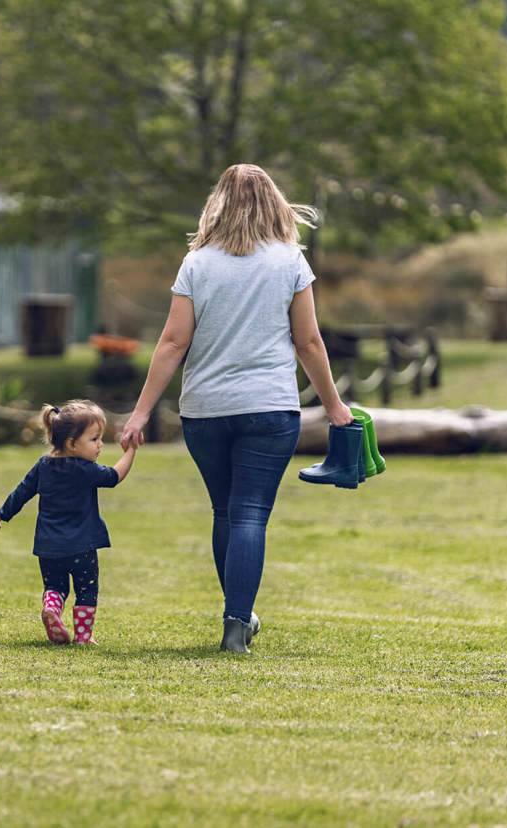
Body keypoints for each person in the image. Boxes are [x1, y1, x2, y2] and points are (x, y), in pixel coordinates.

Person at [119, 163, 354, 654]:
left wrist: (141, 413)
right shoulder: (290, 261)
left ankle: (239, 615)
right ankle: (235, 625)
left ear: (217, 204)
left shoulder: (196, 263)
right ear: (274, 203)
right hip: (269, 408)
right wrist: (334, 407)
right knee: (250, 514)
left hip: (204, 410)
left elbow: (171, 343)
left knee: (225, 512)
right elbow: (308, 341)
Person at [0, 400, 137, 645]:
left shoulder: (43, 466)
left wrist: (4, 513)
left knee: (55, 586)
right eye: (94, 439)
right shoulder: (85, 469)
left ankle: (52, 606)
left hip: (49, 548)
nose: (100, 445)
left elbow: (22, 491)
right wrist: (131, 451)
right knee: (86, 589)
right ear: (72, 443)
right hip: (82, 547)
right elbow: (115, 477)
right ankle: (83, 636)